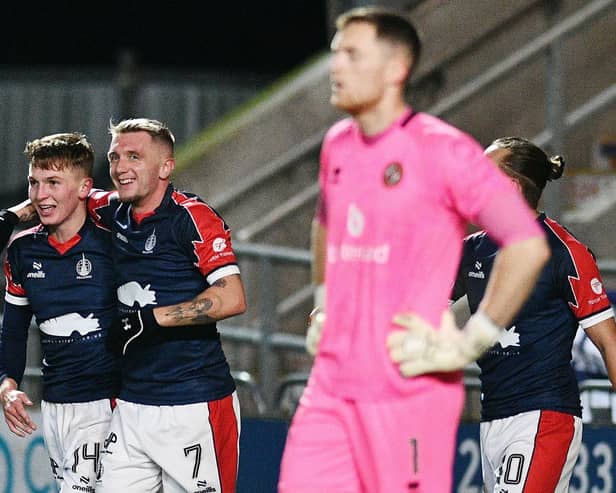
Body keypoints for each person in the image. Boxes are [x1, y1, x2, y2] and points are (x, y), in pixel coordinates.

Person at [278, 7, 550, 493]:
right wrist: (325, 304)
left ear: (395, 70)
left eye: (351, 54)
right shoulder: (338, 144)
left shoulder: (444, 150)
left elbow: (527, 244)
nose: (335, 65)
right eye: (336, 52)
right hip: (334, 383)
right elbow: (326, 225)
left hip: (407, 386)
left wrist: (470, 341)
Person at [87, 118, 247, 493]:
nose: (120, 167)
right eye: (114, 157)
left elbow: (233, 296)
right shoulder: (112, 210)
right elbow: (68, 192)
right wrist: (16, 215)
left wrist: (152, 320)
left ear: (165, 167)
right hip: (130, 405)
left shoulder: (191, 216)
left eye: (134, 157)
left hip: (194, 404)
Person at [450, 136, 616, 492]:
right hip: (492, 419)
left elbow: (608, 342)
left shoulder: (564, 252)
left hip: (544, 418)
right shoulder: (472, 250)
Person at [0, 133, 120, 491]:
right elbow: (15, 329)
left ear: (84, 187)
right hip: (55, 404)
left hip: (109, 404)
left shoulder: (113, 241)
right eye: (34, 183)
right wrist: (7, 386)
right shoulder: (22, 249)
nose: (40, 194)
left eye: (53, 183)